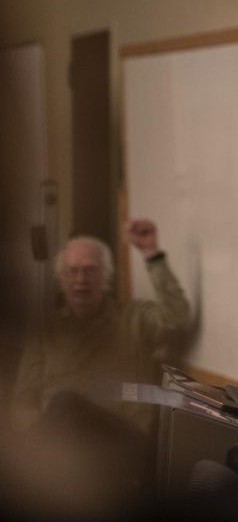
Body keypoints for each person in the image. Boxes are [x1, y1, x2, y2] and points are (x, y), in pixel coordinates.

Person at [8, 220, 192, 515]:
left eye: (90, 270)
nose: (81, 279)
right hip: (61, 448)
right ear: (61, 279)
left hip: (122, 444)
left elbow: (177, 320)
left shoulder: (134, 319)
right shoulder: (44, 331)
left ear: (106, 277)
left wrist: (151, 255)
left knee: (66, 402)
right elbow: (23, 401)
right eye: (72, 271)